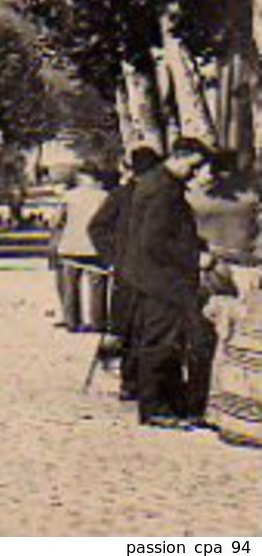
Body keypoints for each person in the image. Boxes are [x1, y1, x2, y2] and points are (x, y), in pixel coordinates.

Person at [118, 137, 219, 429]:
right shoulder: (164, 191)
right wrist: (195, 257)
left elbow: (167, 232)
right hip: (163, 280)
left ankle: (173, 406)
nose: (196, 173)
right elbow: (155, 240)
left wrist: (195, 242)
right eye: (194, 165)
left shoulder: (156, 183)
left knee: (167, 341)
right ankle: (155, 408)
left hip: (153, 277)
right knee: (162, 343)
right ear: (180, 155)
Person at [89, 146, 162, 403]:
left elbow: (96, 229)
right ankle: (131, 383)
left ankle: (139, 383)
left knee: (140, 328)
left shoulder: (154, 194)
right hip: (129, 273)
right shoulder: (122, 196)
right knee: (131, 327)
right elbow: (97, 228)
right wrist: (113, 258)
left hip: (148, 272)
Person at [53, 170, 109, 331]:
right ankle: (98, 322)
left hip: (71, 245)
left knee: (70, 286)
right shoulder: (103, 196)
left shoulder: (68, 197)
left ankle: (72, 322)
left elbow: (57, 221)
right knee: (98, 286)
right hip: (94, 247)